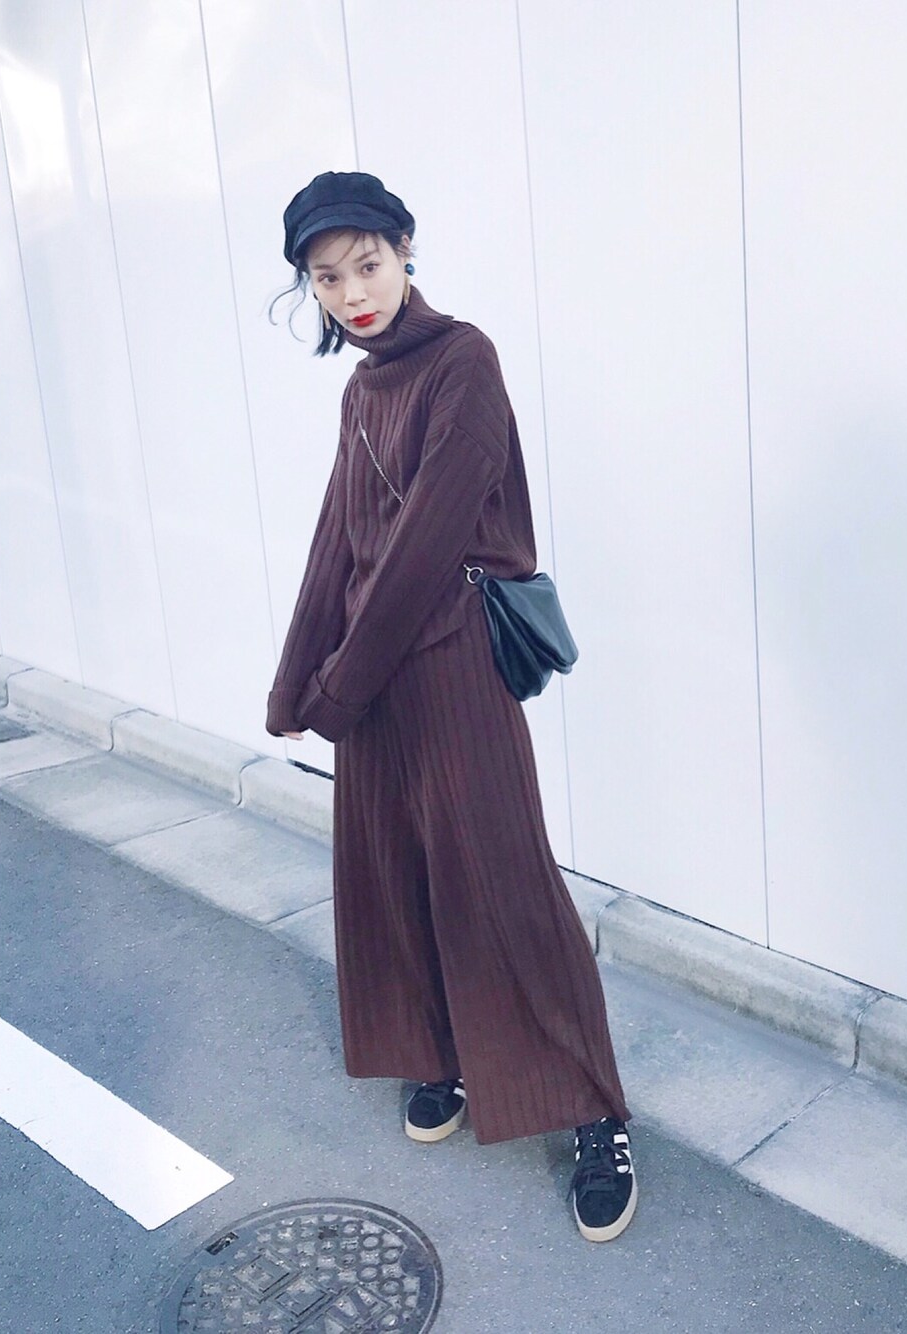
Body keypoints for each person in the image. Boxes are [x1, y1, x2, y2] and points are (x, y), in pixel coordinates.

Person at [266, 171, 636, 1242]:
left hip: (450, 666)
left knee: (503, 880)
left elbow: (427, 544)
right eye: (327, 278)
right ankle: (445, 1056)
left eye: (367, 264)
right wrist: (296, 679)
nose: (352, 293)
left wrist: (338, 683)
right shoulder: (361, 389)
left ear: (405, 249)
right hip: (372, 674)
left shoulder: (463, 359)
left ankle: (596, 1112)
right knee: (395, 875)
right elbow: (338, 541)